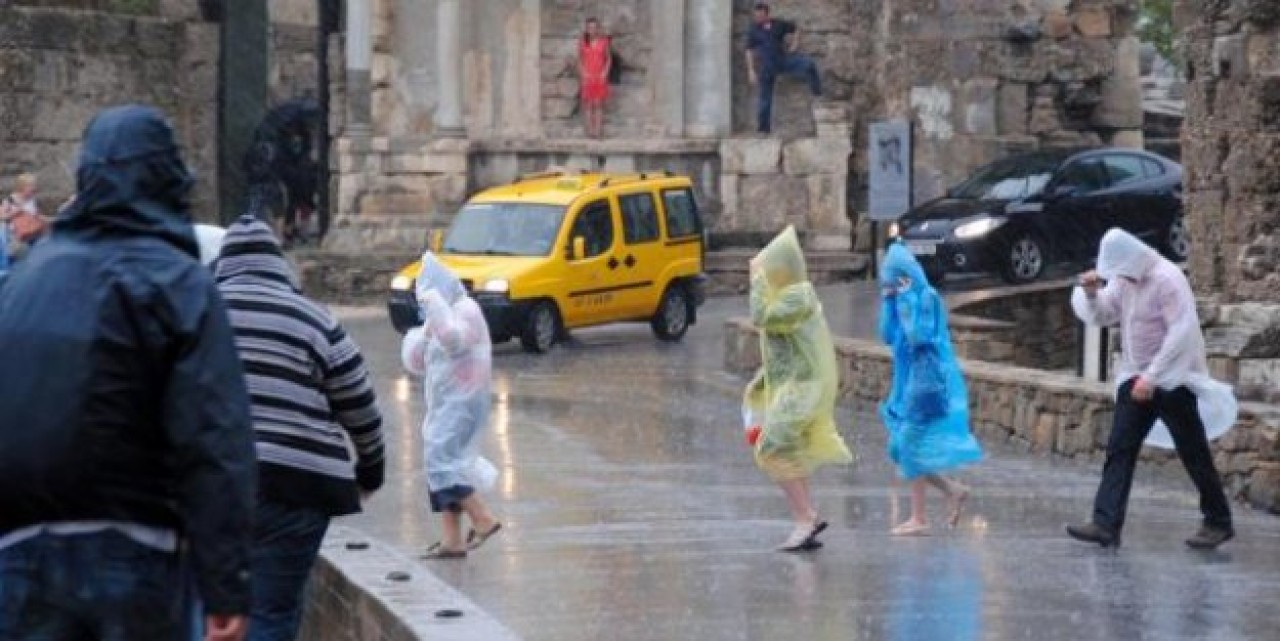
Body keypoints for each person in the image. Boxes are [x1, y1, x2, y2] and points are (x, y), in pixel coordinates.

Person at [0, 105, 256, 641]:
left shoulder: (25, 281)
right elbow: (213, 439)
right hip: (137, 547)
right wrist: (225, 583)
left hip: (19, 548)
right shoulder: (180, 283)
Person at [213, 215, 387, 640]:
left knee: (207, 606)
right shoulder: (313, 318)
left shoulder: (195, 313)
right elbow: (360, 405)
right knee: (273, 608)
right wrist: (370, 470)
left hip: (212, 484)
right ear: (279, 265)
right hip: (295, 489)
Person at [1067, 229, 1236, 550]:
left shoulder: (1167, 280)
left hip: (1172, 379)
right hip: (1136, 376)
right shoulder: (1125, 279)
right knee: (1120, 447)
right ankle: (1106, 523)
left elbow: (1181, 332)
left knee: (1193, 451)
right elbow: (1106, 313)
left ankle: (1218, 521)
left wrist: (1155, 376)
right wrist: (1091, 294)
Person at [743, 226, 852, 552]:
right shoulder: (790, 294)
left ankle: (805, 519)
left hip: (804, 389)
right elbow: (781, 349)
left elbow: (761, 315)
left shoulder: (796, 297)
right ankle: (807, 517)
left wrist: (757, 281)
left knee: (771, 449)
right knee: (784, 449)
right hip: (796, 386)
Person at [401, 251, 503, 559]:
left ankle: (483, 519)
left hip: (463, 403)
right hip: (447, 402)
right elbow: (416, 362)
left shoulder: (465, 310)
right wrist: (425, 328)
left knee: (442, 463)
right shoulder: (443, 314)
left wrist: (435, 309)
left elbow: (454, 341)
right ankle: (452, 539)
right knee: (443, 465)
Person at [878, 242, 982, 536]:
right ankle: (952, 489)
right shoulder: (899, 299)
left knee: (909, 446)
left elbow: (919, 337)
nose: (888, 284)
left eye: (892, 278)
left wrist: (908, 300)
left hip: (926, 383)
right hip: (907, 382)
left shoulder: (926, 298)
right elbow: (887, 335)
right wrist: (889, 302)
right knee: (899, 448)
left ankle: (918, 517)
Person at [745, 3, 823, 134]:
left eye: (760, 15)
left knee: (809, 64)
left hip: (782, 60)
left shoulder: (778, 24)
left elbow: (796, 28)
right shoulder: (753, 30)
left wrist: (795, 44)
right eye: (756, 15)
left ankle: (818, 93)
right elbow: (748, 50)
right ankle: (763, 130)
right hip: (767, 66)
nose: (757, 18)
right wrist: (751, 70)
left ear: (767, 14)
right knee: (764, 100)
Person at [2, 172, 49, 261]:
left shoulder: (32, 200)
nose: (34, 188)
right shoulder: (9, 200)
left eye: (34, 186)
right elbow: (2, 217)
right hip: (17, 238)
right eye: (31, 186)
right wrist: (14, 213)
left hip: (35, 234)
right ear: (22, 187)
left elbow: (38, 216)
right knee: (25, 254)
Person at [578, 17, 612, 139]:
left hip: (599, 75)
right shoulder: (582, 42)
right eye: (589, 27)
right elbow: (579, 59)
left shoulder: (604, 42)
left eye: (594, 27)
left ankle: (598, 132)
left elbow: (608, 59)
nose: (592, 30)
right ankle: (590, 132)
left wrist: (605, 72)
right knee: (588, 105)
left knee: (598, 104)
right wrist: (583, 72)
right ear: (586, 29)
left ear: (598, 29)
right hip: (588, 76)